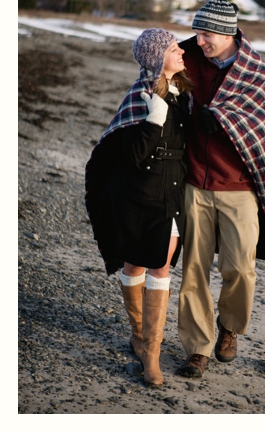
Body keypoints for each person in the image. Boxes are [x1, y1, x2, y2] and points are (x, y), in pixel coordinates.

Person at [175, 0, 265, 379]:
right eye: (197, 32)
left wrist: (221, 122)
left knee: (240, 268)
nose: (200, 40)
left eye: (206, 34)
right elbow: (159, 77)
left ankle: (230, 328)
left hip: (238, 187)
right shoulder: (187, 57)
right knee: (194, 269)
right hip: (194, 182)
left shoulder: (255, 71)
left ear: (227, 32)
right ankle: (197, 349)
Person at [85, 28, 193, 386]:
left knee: (160, 267)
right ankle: (138, 334)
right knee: (134, 262)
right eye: (173, 48)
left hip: (171, 194)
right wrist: (154, 119)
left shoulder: (184, 94)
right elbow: (130, 157)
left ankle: (152, 353)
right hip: (136, 193)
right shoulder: (142, 95)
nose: (181, 52)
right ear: (155, 57)